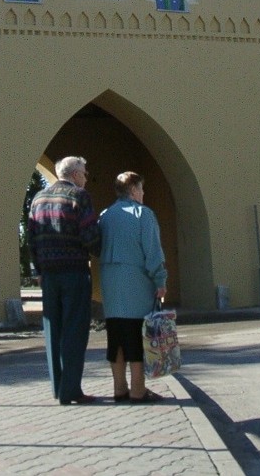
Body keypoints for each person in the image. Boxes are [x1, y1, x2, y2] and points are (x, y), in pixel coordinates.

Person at [27, 156, 101, 405]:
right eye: (85, 172)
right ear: (75, 174)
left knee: (53, 331)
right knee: (75, 330)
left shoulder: (38, 199)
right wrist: (100, 249)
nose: (86, 176)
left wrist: (38, 269)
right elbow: (90, 235)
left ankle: (58, 388)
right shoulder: (79, 197)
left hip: (48, 274)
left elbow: (32, 237)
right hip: (74, 272)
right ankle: (72, 390)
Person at [99, 171, 167, 403]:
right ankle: (138, 390)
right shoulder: (143, 214)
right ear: (134, 190)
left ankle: (120, 388)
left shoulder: (105, 215)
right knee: (137, 337)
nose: (143, 193)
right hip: (136, 285)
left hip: (110, 286)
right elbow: (153, 253)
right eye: (142, 189)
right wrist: (160, 280)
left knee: (116, 337)